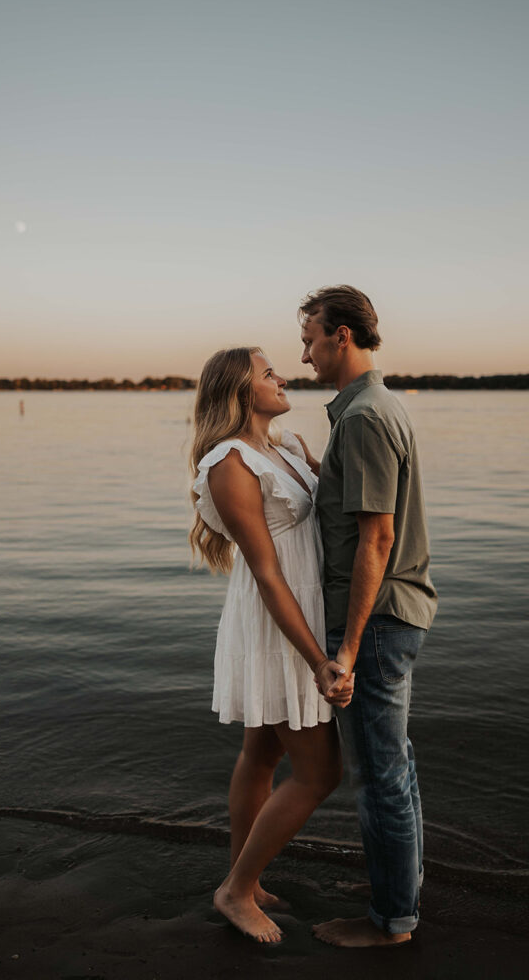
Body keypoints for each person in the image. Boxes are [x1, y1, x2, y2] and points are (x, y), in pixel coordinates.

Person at [189, 346, 353, 944]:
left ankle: (245, 878)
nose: (282, 375)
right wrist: (317, 658)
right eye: (267, 372)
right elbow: (265, 571)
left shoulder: (281, 446)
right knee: (320, 772)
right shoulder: (229, 462)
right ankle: (236, 891)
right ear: (239, 389)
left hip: (301, 609)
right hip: (278, 621)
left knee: (261, 755)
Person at [298, 285, 438, 948]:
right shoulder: (373, 408)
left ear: (341, 335)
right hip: (391, 616)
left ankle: (390, 922)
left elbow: (375, 540)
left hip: (376, 622)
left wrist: (346, 650)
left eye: (310, 338)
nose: (305, 354)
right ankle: (398, 885)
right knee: (395, 765)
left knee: (380, 773)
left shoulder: (361, 417)